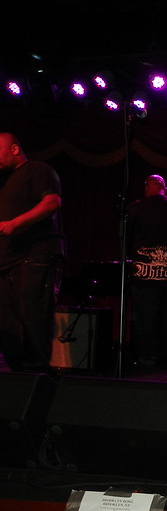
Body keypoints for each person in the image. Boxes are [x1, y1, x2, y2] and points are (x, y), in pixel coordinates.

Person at [0, 132, 67, 372]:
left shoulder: (37, 170)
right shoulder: (5, 181)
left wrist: (15, 223)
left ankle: (35, 376)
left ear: (15, 149)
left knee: (33, 319)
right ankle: (18, 374)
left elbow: (52, 203)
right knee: (8, 323)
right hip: (9, 262)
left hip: (36, 254)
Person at [127, 174, 167, 368]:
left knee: (146, 314)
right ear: (165, 187)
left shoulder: (136, 208)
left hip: (144, 273)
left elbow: (126, 237)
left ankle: (148, 356)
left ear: (147, 187)